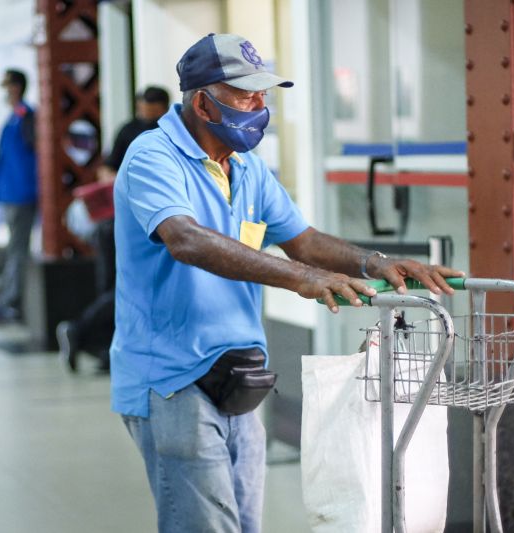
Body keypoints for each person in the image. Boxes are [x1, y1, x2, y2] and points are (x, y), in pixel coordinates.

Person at [111, 33, 463, 533]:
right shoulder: (153, 157)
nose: (259, 105)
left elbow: (304, 241)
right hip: (171, 378)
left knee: (245, 524)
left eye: (263, 93)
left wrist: (377, 262)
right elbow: (186, 239)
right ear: (202, 103)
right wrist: (302, 279)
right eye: (245, 93)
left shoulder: (248, 168)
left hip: (238, 375)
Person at [57, 86, 171, 372]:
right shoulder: (136, 131)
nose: (144, 111)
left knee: (121, 288)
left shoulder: (167, 132)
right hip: (129, 224)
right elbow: (107, 170)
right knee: (120, 287)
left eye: (149, 106)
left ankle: (103, 347)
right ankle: (86, 336)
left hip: (133, 224)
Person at [0, 69, 37, 325]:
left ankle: (11, 301)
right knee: (14, 247)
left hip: (21, 192)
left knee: (16, 249)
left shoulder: (25, 117)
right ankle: (8, 298)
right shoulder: (16, 117)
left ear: (16, 87)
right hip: (12, 192)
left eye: (7, 86)